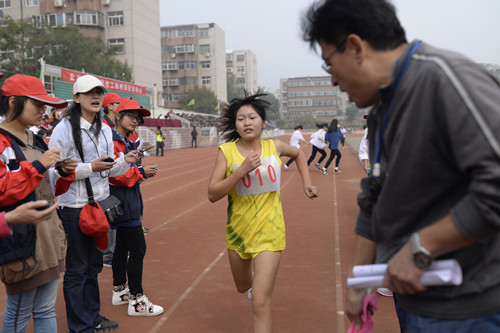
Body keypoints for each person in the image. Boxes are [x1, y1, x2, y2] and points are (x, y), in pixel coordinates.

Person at [303, 0, 500, 331]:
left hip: (470, 310)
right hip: (417, 303)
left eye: (329, 65)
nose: (334, 81)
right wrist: (357, 283)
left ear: (355, 47)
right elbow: (373, 199)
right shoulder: (383, 108)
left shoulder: (446, 80)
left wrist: (421, 248)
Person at [208, 92, 318, 333]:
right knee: (243, 286)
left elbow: (299, 154)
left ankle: (258, 293)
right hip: (238, 234)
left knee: (260, 300)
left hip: (270, 231)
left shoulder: (274, 146)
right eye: (241, 119)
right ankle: (251, 287)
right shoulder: (226, 152)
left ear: (263, 122)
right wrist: (240, 171)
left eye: (252, 117)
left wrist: (306, 182)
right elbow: (212, 194)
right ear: (235, 124)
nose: (247, 122)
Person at [49, 74, 140, 333]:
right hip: (75, 209)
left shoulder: (104, 130)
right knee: (77, 270)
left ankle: (93, 317)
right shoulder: (64, 129)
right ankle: (80, 326)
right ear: (76, 98)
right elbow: (55, 172)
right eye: (89, 92)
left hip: (99, 206)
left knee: (93, 267)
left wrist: (125, 161)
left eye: (99, 92)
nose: (96, 96)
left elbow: (108, 171)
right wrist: (91, 167)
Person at [0, 74, 77, 333]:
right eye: (37, 104)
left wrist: (62, 173)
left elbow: (48, 187)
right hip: (22, 238)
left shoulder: (37, 139)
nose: (43, 111)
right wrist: (38, 165)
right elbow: (3, 191)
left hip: (49, 235)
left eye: (45, 105)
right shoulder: (2, 142)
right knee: (19, 311)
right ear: (13, 102)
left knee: (45, 308)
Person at [108, 99, 164, 316]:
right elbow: (116, 174)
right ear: (118, 115)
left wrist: (141, 170)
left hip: (127, 200)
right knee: (138, 249)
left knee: (122, 247)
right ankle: (137, 300)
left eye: (138, 117)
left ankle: (120, 290)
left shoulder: (126, 141)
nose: (135, 120)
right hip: (122, 203)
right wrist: (141, 172)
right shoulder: (113, 141)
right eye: (130, 115)